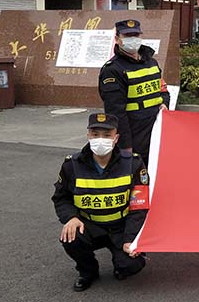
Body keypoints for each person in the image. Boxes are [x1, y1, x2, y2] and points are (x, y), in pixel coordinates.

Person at [52, 113, 149, 291]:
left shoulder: (133, 163)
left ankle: (121, 264)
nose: (100, 140)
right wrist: (71, 218)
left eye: (107, 135)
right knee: (71, 237)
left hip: (121, 226)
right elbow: (61, 197)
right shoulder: (72, 165)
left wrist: (130, 239)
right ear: (88, 136)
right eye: (95, 134)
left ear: (116, 138)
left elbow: (139, 206)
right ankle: (88, 271)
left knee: (131, 265)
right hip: (89, 225)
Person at [99, 20, 169, 165]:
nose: (133, 39)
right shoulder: (112, 70)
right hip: (135, 136)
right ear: (117, 39)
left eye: (135, 35)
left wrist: (164, 103)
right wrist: (125, 146)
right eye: (127, 36)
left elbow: (163, 89)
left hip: (157, 132)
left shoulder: (151, 63)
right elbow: (116, 113)